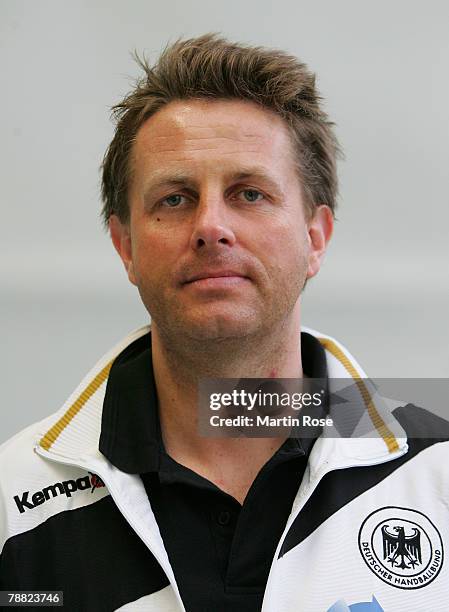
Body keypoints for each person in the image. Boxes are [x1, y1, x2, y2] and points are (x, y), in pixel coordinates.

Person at [0, 34, 448, 612]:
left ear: (316, 238)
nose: (211, 227)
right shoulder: (12, 500)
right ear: (125, 246)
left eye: (250, 194)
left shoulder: (436, 473)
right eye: (175, 199)